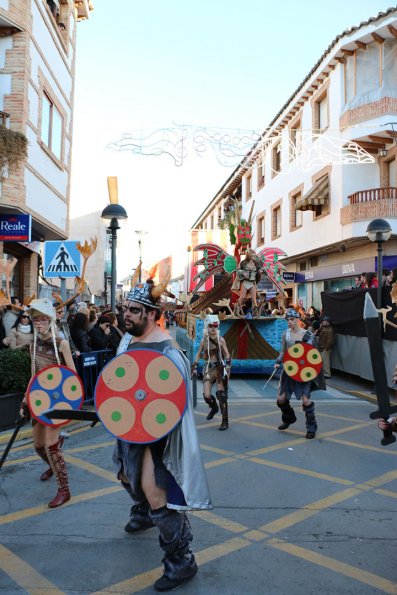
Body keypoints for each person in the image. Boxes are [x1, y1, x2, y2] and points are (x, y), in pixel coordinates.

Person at [113, 281, 211, 592]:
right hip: (131, 430)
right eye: (125, 308)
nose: (126, 314)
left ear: (153, 314)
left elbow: (175, 403)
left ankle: (181, 560)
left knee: (156, 493)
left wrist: (155, 427)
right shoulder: (128, 341)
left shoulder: (168, 350)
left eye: (134, 310)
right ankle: (143, 511)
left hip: (159, 438)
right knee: (127, 477)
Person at [19, 298, 76, 508]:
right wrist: (25, 399)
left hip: (57, 401)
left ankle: (64, 490)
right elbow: (33, 376)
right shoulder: (33, 344)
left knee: (52, 446)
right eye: (35, 319)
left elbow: (73, 375)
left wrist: (68, 401)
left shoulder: (62, 343)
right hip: (38, 399)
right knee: (38, 446)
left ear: (50, 320)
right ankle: (53, 465)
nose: (38, 322)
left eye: (42, 319)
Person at [274, 308, 325, 439]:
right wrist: (278, 361)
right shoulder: (286, 334)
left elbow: (313, 356)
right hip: (289, 371)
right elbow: (283, 351)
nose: (289, 322)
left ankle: (311, 427)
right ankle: (289, 418)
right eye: (287, 320)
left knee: (306, 400)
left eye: (291, 319)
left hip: (303, 372)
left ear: (297, 319)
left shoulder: (307, 335)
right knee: (281, 399)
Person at [191, 314, 231, 430]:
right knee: (207, 395)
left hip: (219, 368)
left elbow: (227, 354)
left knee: (221, 395)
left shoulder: (221, 339)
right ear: (206, 326)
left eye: (215, 326)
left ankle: (225, 421)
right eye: (210, 326)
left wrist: (227, 366)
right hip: (208, 368)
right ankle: (214, 408)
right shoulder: (204, 340)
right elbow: (198, 353)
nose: (213, 328)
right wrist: (194, 366)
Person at [233, 249, 263, 317]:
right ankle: (236, 311)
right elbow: (238, 271)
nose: (254, 256)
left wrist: (261, 271)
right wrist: (243, 272)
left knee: (253, 299)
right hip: (245, 282)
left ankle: (255, 313)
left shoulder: (257, 263)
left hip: (253, 282)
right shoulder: (243, 263)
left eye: (254, 255)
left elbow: (261, 270)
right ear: (249, 255)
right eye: (252, 255)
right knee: (242, 297)